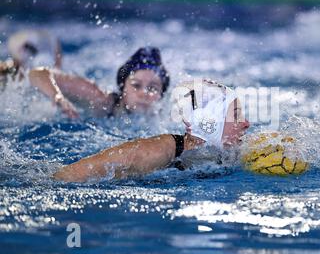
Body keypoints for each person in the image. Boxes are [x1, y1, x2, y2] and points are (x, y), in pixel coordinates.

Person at [53, 79, 250, 182]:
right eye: (236, 114)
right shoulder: (150, 152)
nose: (246, 123)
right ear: (209, 122)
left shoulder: (225, 151)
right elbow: (68, 176)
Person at [28, 46, 170, 119]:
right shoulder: (101, 101)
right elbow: (36, 73)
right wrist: (56, 96)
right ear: (123, 87)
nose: (143, 93)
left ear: (161, 94)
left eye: (153, 88)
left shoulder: (165, 118)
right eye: (136, 85)